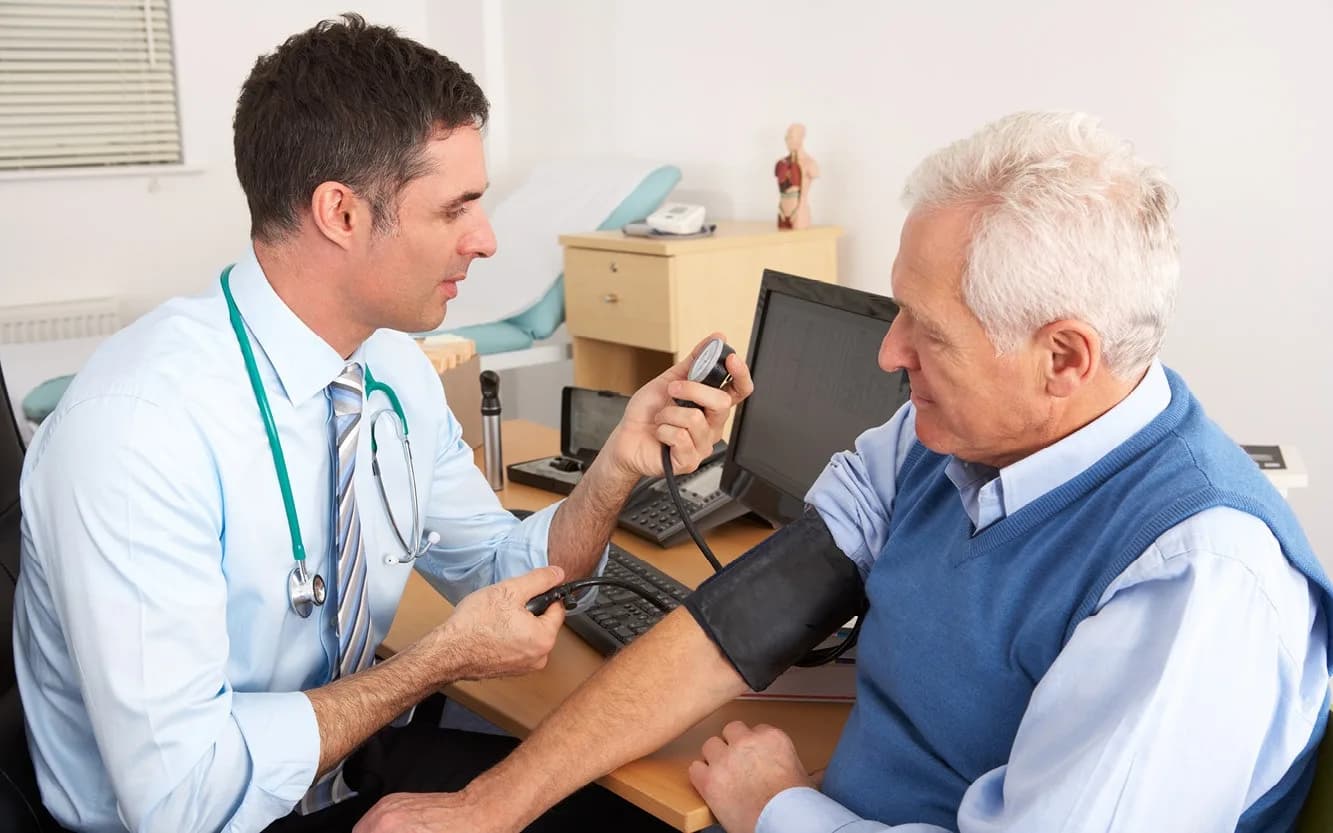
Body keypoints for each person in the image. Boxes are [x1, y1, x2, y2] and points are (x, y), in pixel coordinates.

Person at [353, 111, 1333, 833]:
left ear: (1064, 359)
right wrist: (493, 802)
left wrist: (780, 804)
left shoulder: (1196, 583)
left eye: (928, 331)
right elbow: (734, 624)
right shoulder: (936, 437)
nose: (888, 353)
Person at [11, 15, 752, 833]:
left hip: (340, 768)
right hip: (199, 816)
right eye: (454, 208)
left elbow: (505, 573)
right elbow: (181, 800)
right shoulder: (138, 432)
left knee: (631, 804)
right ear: (341, 213)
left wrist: (614, 468)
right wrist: (435, 662)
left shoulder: (392, 372)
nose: (487, 239)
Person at [775, 123, 819, 230]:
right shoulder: (782, 163)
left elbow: (814, 173)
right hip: (782, 214)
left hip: (799, 214)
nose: (787, 140)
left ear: (801, 138)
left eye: (791, 136)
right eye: (786, 137)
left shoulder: (809, 163)